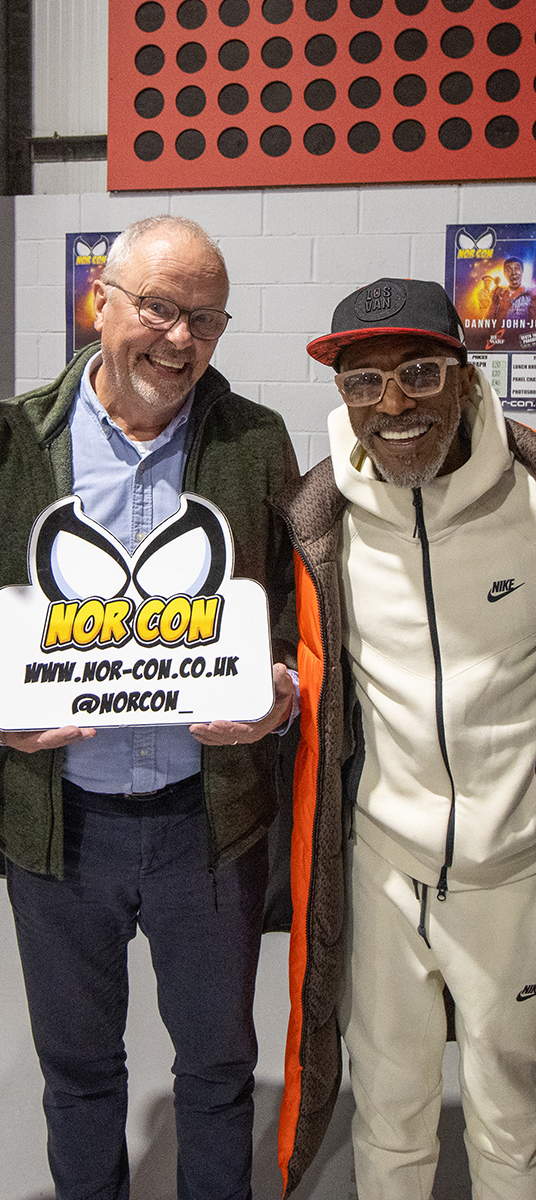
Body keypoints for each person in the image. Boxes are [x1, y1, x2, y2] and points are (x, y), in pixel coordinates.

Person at [0, 214, 299, 1200]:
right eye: (157, 307)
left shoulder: (255, 442)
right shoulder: (7, 438)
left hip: (209, 820)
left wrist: (278, 693)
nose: (179, 338)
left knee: (218, 1069)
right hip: (59, 820)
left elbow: (287, 616)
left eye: (205, 318)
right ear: (100, 301)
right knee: (77, 1071)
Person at [275, 277, 536, 1199]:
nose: (392, 406)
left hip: (516, 877)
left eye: (419, 372)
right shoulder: (318, 519)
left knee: (515, 1123)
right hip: (382, 873)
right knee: (388, 1115)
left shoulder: (533, 497)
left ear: (465, 375)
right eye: (363, 382)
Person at [485, 256, 536, 348]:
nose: (513, 273)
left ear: (522, 271)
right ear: (504, 273)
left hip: (524, 345)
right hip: (501, 344)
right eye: (509, 270)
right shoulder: (498, 295)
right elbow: (489, 320)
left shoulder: (531, 295)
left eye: (517, 269)